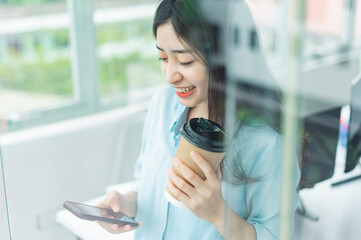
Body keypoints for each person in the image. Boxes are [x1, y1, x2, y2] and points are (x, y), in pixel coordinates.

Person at [97, 0, 300, 239]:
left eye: (185, 61)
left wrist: (216, 213)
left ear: (227, 58)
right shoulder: (162, 104)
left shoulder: (267, 145)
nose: (170, 76)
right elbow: (146, 186)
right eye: (162, 58)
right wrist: (124, 203)